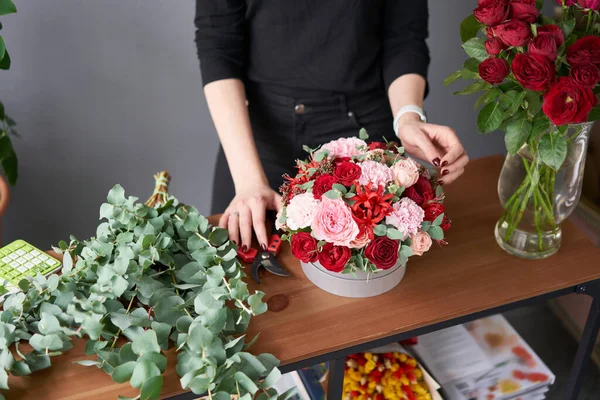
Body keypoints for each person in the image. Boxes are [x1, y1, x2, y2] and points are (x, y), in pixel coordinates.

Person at [195, 0, 469, 252]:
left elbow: (404, 37)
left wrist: (408, 118)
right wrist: (248, 182)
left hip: (365, 139)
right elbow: (218, 45)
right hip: (258, 143)